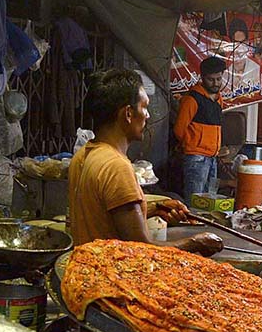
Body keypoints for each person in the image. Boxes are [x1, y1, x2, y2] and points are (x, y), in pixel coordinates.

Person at [69, 69, 222, 255]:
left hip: (86, 267)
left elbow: (104, 215)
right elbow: (142, 249)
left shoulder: (84, 154)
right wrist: (194, 242)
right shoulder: (116, 167)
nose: (148, 116)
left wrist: (157, 208)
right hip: (110, 276)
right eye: (144, 107)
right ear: (128, 113)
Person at [174, 56, 225, 206]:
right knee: (195, 200)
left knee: (209, 201)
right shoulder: (191, 99)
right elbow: (179, 129)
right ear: (202, 78)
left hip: (212, 157)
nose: (215, 83)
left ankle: (207, 229)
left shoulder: (218, 99)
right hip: (196, 158)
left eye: (218, 79)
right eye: (211, 79)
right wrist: (193, 145)